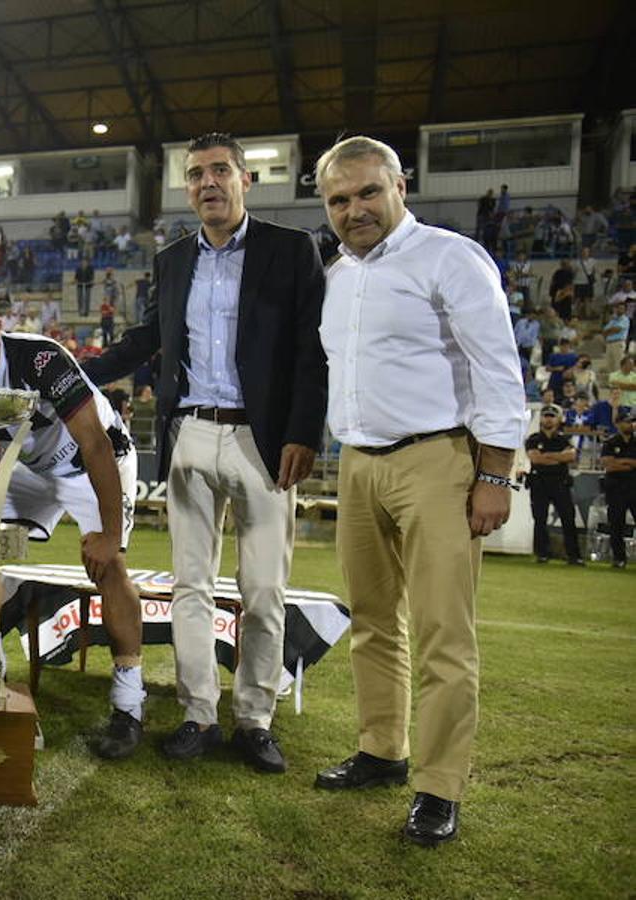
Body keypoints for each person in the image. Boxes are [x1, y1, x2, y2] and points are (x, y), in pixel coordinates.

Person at [83, 132, 327, 774]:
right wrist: (78, 374)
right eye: (195, 175)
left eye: (220, 171)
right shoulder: (171, 260)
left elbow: (311, 349)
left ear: (246, 180)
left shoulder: (290, 249)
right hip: (190, 431)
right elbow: (147, 338)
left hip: (264, 438)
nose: (207, 183)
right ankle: (197, 714)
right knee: (191, 586)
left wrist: (304, 431)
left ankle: (255, 719)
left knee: (263, 590)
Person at [311, 136, 527, 847]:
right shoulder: (339, 274)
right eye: (339, 199)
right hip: (359, 462)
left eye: (368, 192)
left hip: (439, 459)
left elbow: (497, 369)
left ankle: (440, 786)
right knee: (373, 619)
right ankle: (383, 749)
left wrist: (495, 474)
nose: (355, 209)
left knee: (443, 631)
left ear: (401, 185)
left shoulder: (449, 257)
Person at [0, 282, 143, 759]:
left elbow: (95, 443)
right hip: (34, 469)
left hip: (94, 461)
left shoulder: (40, 359)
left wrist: (111, 535)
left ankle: (128, 701)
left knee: (108, 566)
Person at [525, 404, 583, 565]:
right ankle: (542, 554)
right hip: (539, 483)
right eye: (546, 416)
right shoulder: (533, 439)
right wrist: (558, 457)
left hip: (560, 483)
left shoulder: (565, 439)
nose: (548, 419)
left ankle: (574, 556)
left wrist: (547, 456)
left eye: (552, 416)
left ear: (558, 419)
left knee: (568, 519)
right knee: (540, 519)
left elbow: (570, 457)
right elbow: (536, 459)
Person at [599, 411, 636, 568]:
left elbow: (615, 464)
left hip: (634, 487)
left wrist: (620, 463)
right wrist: (630, 463)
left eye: (631, 422)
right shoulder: (610, 443)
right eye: (626, 422)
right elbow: (609, 465)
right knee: (616, 524)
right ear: (618, 423)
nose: (630, 425)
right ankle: (619, 558)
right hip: (616, 488)